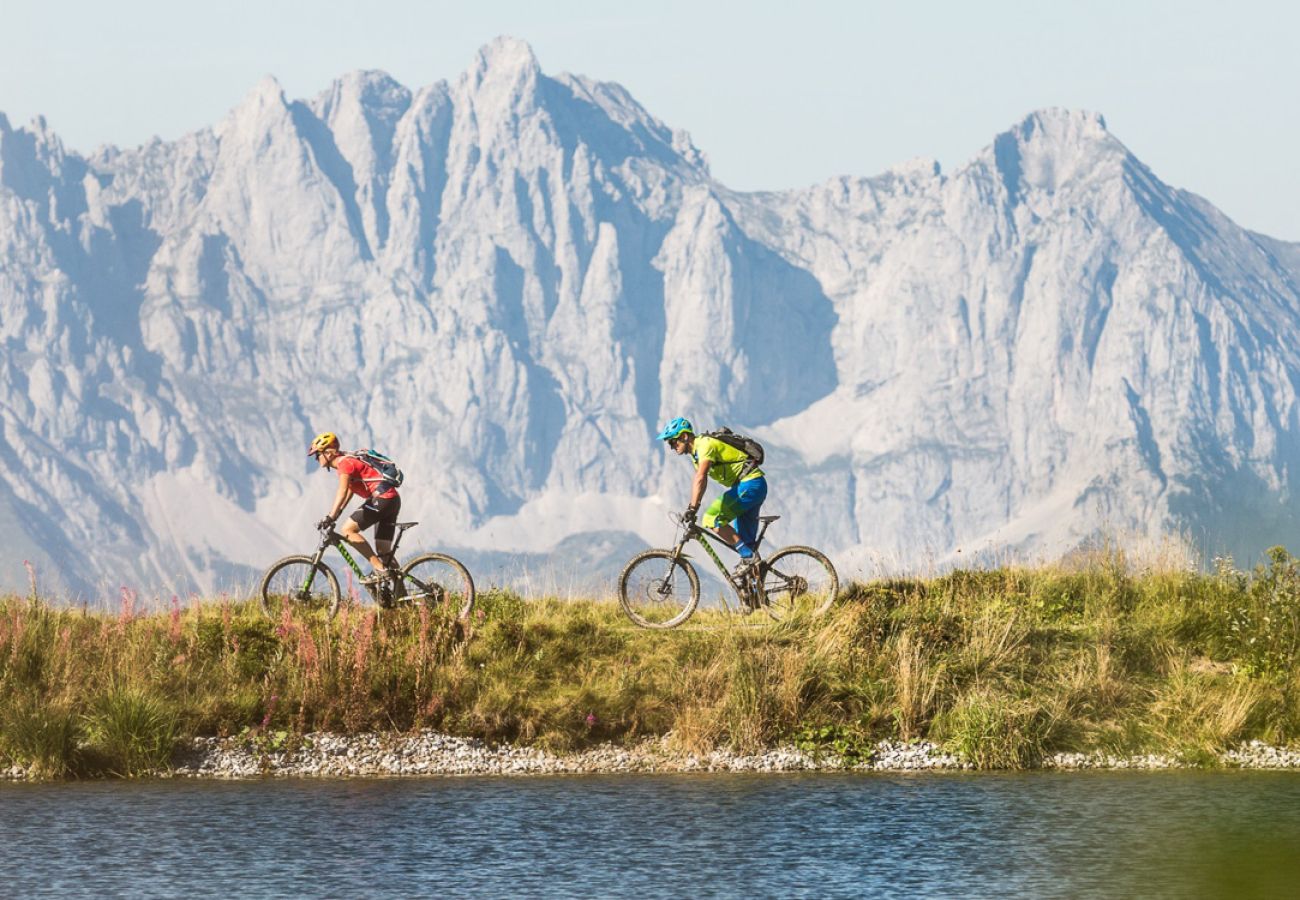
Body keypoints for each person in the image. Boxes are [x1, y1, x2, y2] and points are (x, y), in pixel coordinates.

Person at [656, 417, 768, 578]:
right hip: (751, 486)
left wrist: (693, 508)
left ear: (685, 436)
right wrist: (693, 506)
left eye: (673, 441)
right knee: (745, 543)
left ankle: (749, 557)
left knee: (711, 518)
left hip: (750, 485)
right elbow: (701, 482)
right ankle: (756, 591)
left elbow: (700, 478)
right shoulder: (696, 454)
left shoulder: (704, 445)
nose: (672, 447)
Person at [307, 432, 400, 585]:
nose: (317, 459)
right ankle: (402, 594)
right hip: (392, 500)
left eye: (318, 455)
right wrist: (337, 513)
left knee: (348, 530)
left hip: (382, 499)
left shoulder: (344, 464)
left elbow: (342, 491)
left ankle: (380, 570)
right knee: (384, 552)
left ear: (328, 453)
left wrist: (331, 516)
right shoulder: (347, 460)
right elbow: (351, 489)